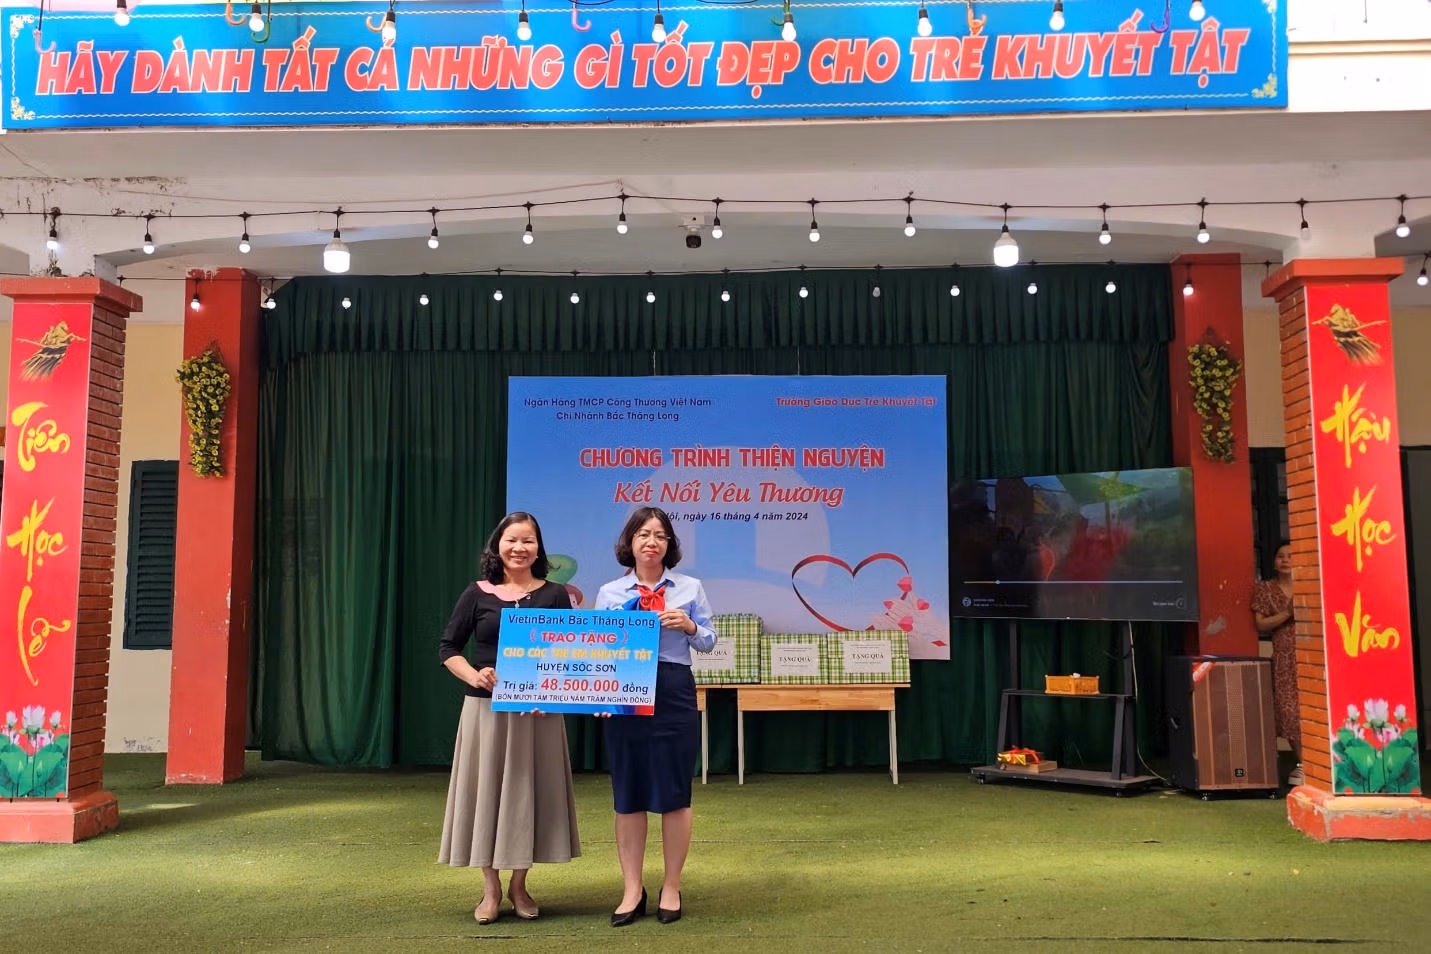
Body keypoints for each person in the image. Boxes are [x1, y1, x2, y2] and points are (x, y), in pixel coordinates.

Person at [437, 511, 581, 924]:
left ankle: (519, 885)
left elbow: (571, 652)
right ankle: (490, 888)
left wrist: (553, 692)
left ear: (539, 548)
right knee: (485, 794)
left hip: (539, 713)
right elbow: (448, 648)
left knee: (528, 795)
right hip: (485, 712)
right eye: (512, 540)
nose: (519, 548)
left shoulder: (555, 595)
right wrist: (475, 676)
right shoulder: (476, 593)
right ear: (497, 545)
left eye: (528, 541)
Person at [594, 506, 716, 927]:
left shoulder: (690, 588)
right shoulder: (610, 593)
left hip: (673, 688)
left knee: (675, 791)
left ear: (670, 544)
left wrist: (689, 626)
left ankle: (671, 886)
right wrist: (599, 692)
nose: (652, 541)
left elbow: (709, 641)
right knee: (628, 791)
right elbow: (598, 649)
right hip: (624, 688)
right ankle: (632, 888)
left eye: (660, 535)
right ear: (630, 542)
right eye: (643, 534)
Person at [1252, 541, 1302, 786]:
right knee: (1289, 712)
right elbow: (1260, 624)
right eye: (1280, 556)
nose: (1285, 560)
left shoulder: (1309, 586)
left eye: (1291, 556)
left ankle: (1322, 764)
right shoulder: (1265, 588)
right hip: (1284, 657)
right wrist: (1286, 614)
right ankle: (1303, 763)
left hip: (1312, 654)